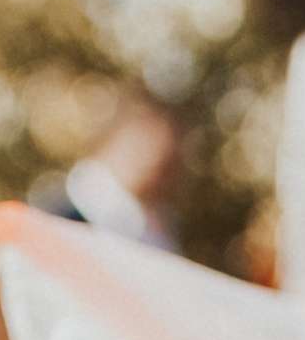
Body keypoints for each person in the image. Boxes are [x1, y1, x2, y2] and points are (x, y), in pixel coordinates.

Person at [34, 84, 189, 252]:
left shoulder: (157, 228)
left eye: (165, 158)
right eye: (140, 148)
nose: (153, 164)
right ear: (117, 138)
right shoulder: (56, 216)